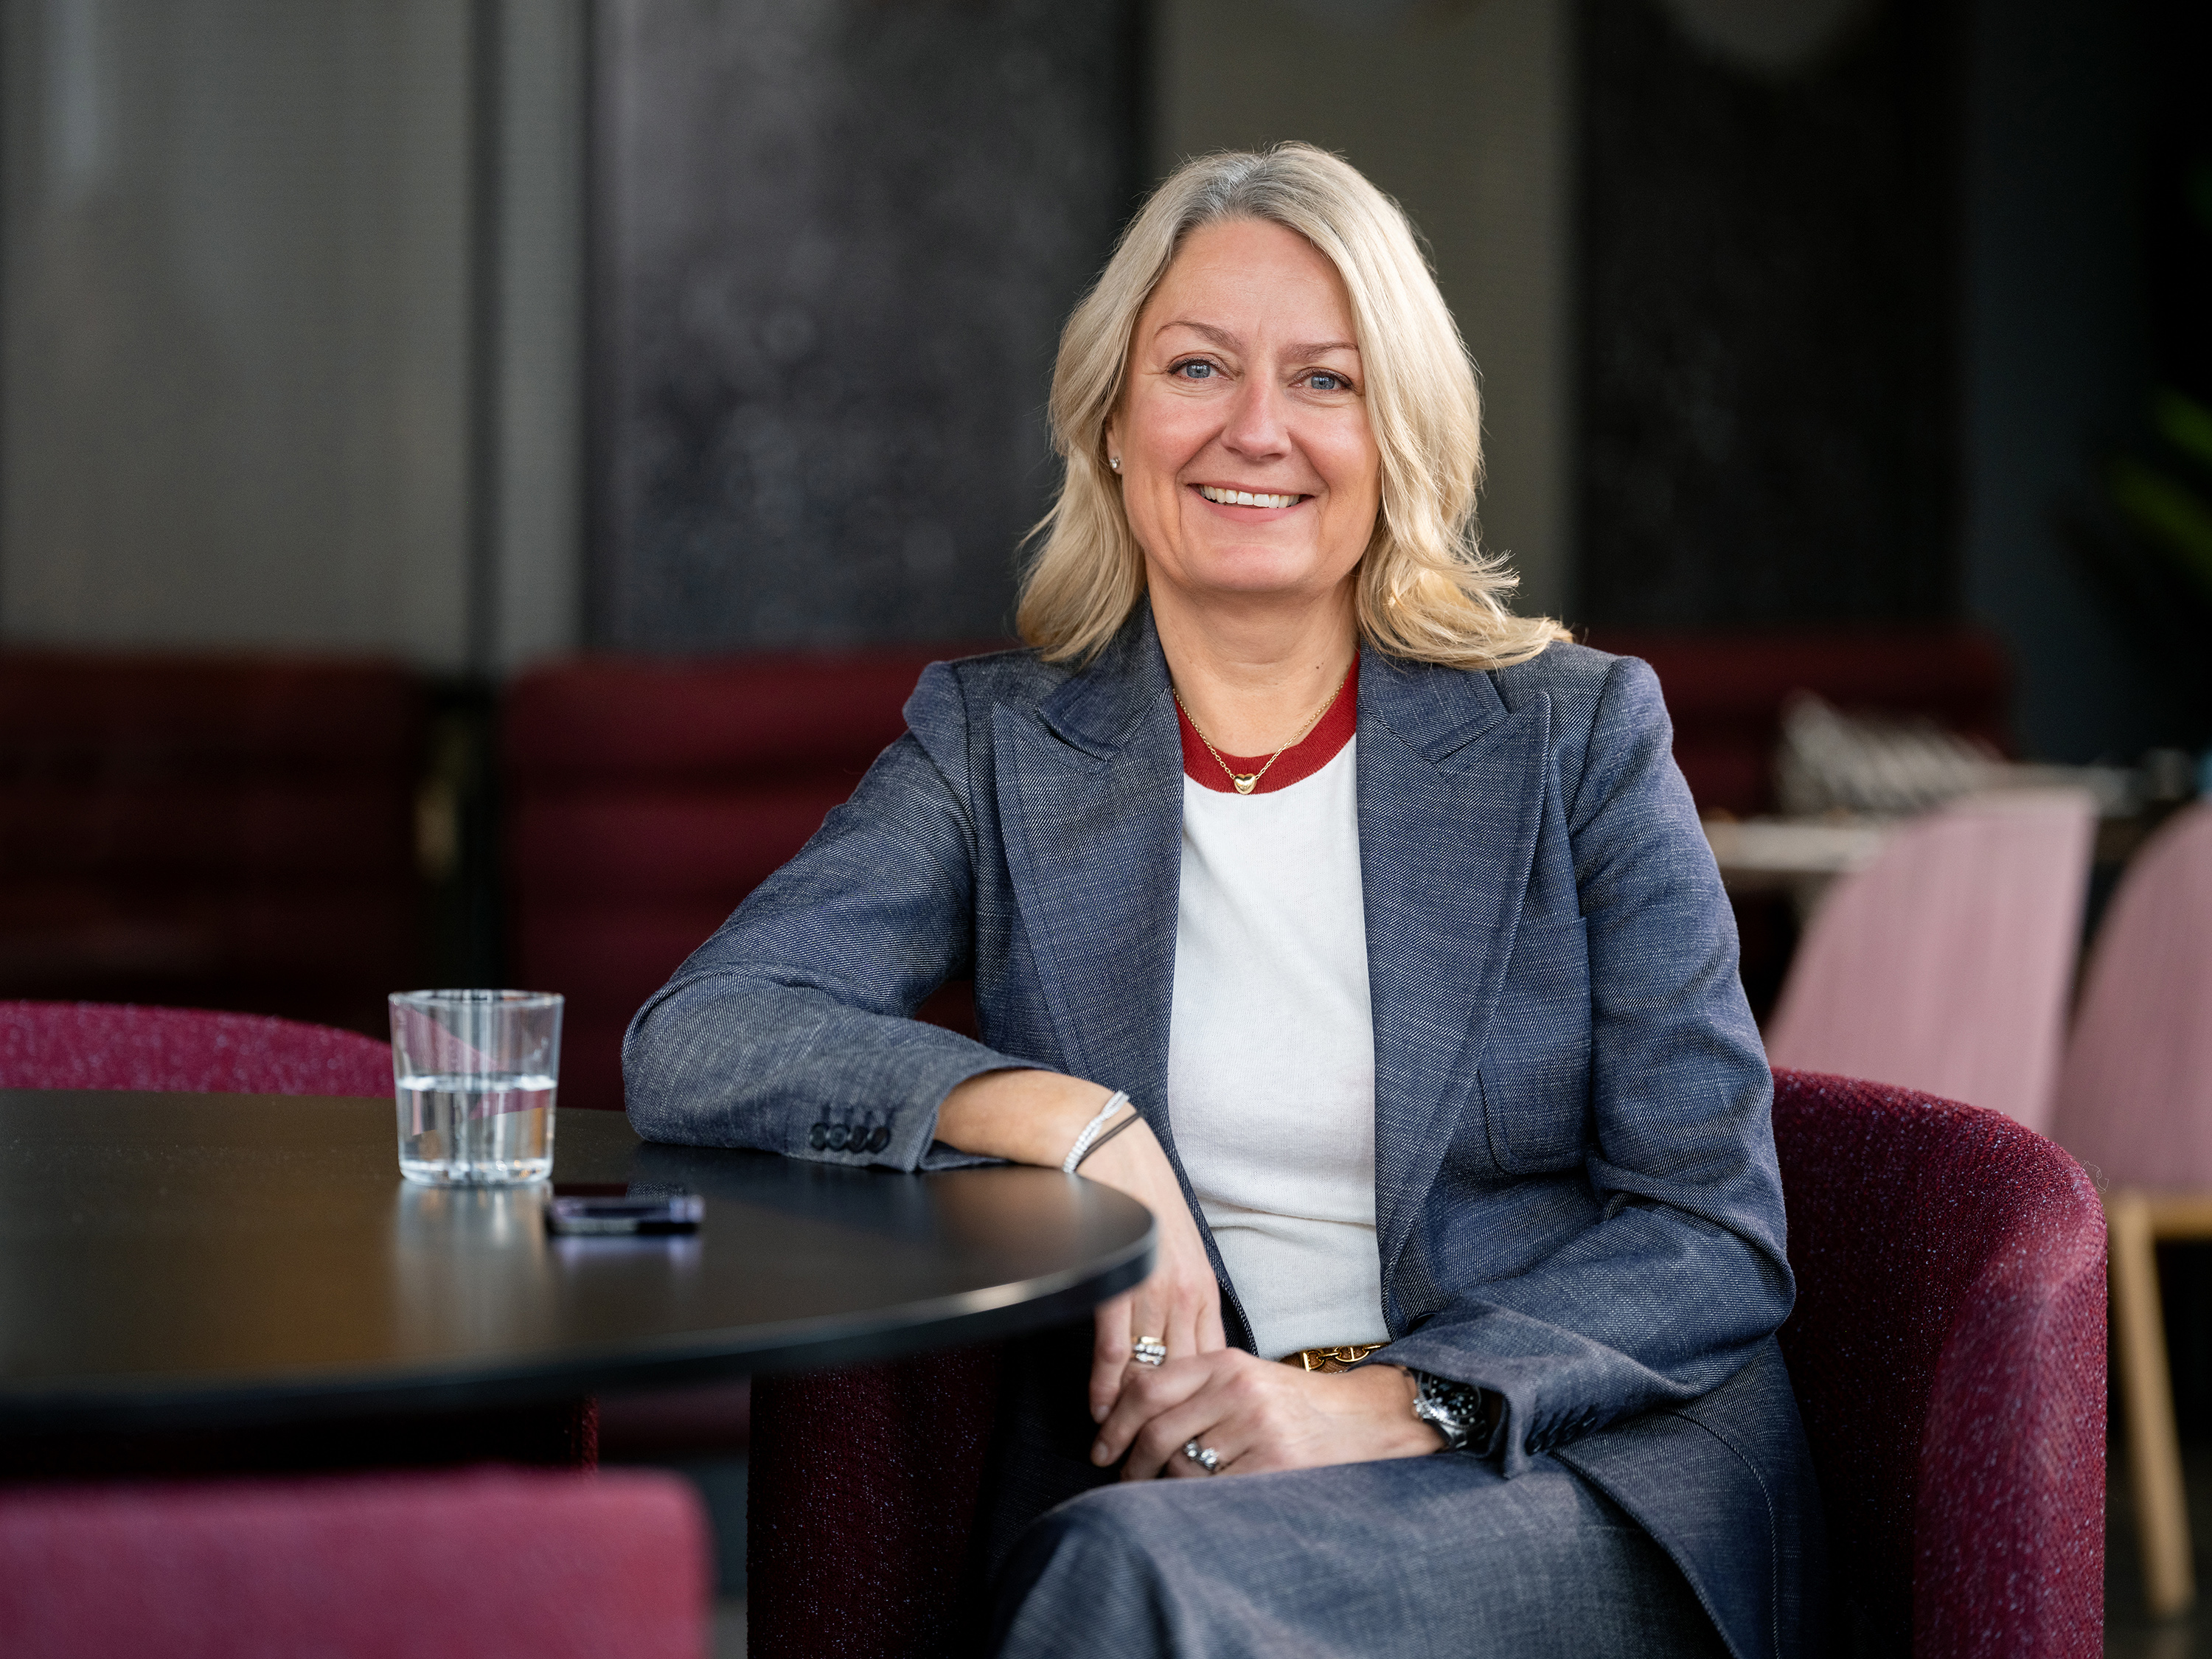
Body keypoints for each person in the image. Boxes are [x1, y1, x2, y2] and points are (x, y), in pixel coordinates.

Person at [625, 142, 1820, 1659]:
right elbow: (702, 1033)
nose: (1258, 429)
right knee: (1129, 1571)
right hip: (1185, 1486)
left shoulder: (1576, 737)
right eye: (1198, 367)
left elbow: (1713, 1231)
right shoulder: (995, 747)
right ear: (1112, 422)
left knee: (1127, 1590)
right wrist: (1075, 1122)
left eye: (1325, 381)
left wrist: (1383, 1405)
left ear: (1400, 435)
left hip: (1552, 1471)